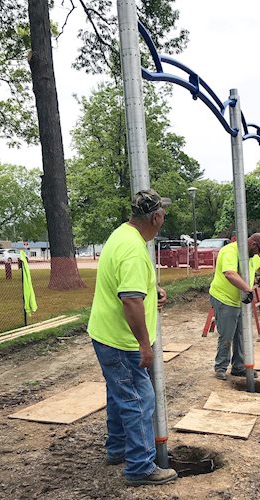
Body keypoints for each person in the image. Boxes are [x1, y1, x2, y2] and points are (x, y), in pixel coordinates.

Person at [87, 189, 177, 486]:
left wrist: (154, 291)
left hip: (105, 334)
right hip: (122, 342)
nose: (164, 220)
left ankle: (117, 448)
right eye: (163, 214)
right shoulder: (135, 251)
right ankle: (140, 467)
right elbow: (130, 300)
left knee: (119, 394)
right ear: (155, 217)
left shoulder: (121, 235)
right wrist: (143, 344)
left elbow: (132, 288)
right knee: (140, 399)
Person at [209, 233, 260, 380]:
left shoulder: (252, 255)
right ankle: (220, 367)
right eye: (259, 250)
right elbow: (229, 273)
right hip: (224, 299)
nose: (259, 254)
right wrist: (247, 289)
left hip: (239, 301)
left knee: (241, 334)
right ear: (253, 244)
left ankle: (239, 367)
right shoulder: (230, 251)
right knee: (227, 335)